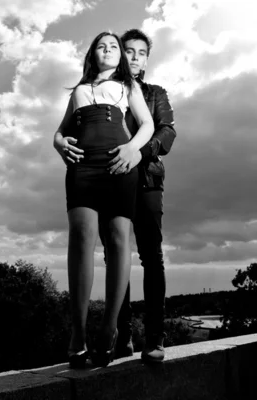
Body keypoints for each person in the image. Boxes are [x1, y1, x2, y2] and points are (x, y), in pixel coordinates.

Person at [65, 29, 177, 364]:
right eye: (127, 50)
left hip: (145, 180)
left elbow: (166, 132)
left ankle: (154, 337)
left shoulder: (154, 93)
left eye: (140, 52)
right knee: (114, 249)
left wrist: (138, 152)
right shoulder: (99, 88)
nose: (133, 56)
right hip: (110, 175)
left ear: (146, 58)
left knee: (150, 256)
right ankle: (121, 335)